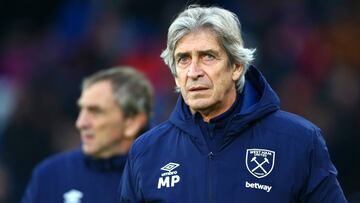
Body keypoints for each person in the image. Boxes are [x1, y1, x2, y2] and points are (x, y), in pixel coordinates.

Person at [120, 5, 347, 202]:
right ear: (176, 75)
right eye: (183, 59)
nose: (194, 72)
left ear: (237, 67)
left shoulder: (299, 141)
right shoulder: (146, 152)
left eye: (208, 56)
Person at [22, 67, 153, 203]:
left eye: (95, 111)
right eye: (81, 110)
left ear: (132, 123)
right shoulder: (50, 175)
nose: (80, 123)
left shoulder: (162, 178)